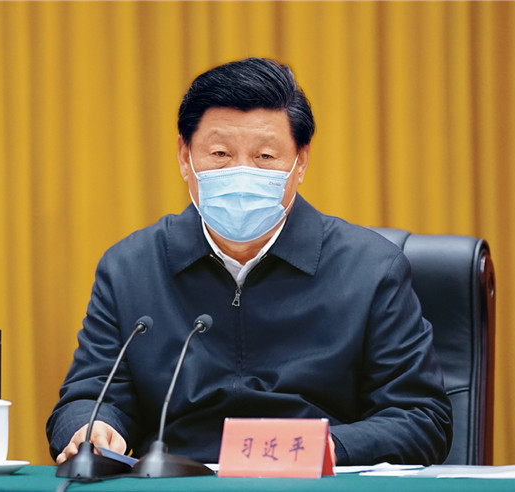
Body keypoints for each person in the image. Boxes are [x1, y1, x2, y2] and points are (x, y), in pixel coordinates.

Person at [47, 57, 452, 466]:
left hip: (313, 480)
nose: (241, 173)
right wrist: (93, 427)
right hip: (177, 482)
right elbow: (89, 396)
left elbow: (421, 419)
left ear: (301, 162)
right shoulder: (131, 267)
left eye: (265, 156)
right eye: (220, 153)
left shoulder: (371, 269)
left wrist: (319, 449)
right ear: (185, 157)